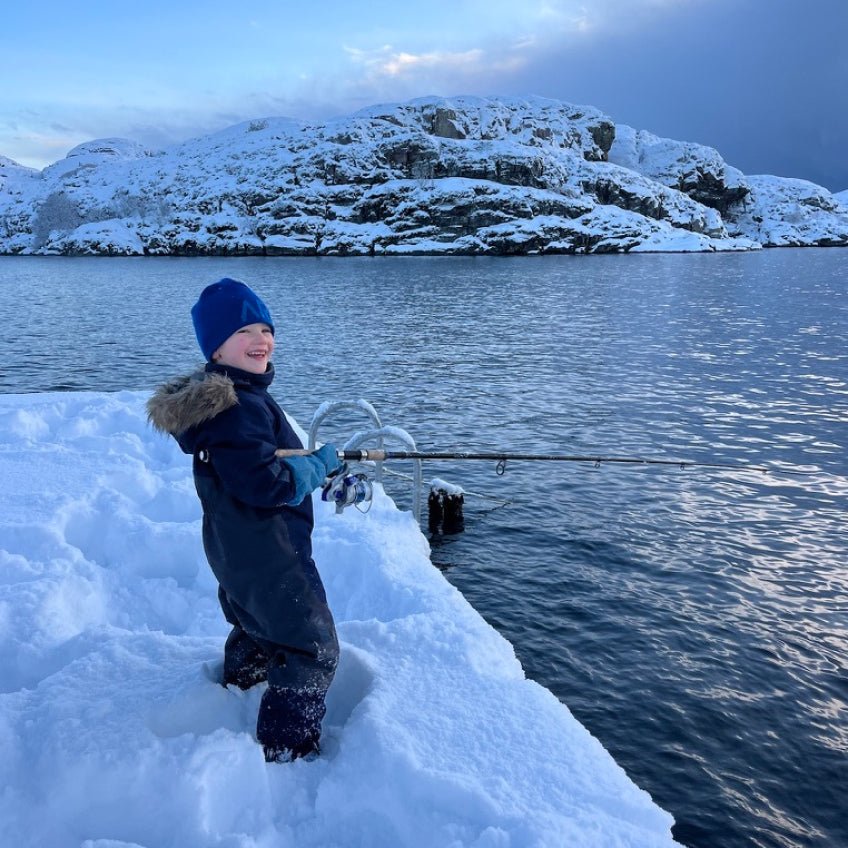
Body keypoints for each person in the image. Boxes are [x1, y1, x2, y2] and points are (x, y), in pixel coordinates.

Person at [147, 277, 340, 763]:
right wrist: (312, 468)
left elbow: (251, 462)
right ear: (216, 350)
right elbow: (264, 483)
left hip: (236, 551)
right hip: (269, 550)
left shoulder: (230, 400)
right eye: (244, 332)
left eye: (265, 328)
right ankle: (287, 751)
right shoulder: (240, 408)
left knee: (257, 625)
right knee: (310, 647)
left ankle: (240, 687)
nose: (261, 340)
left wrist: (301, 461)